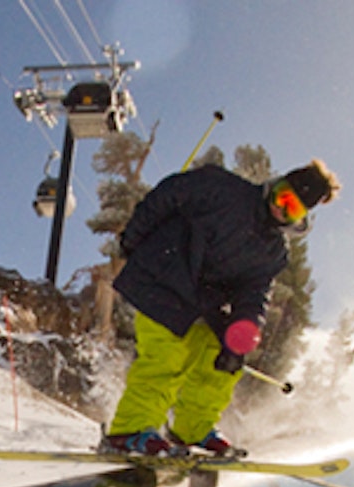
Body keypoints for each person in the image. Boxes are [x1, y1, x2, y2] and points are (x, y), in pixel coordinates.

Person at [102, 159, 340, 457]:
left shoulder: (273, 252)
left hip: (205, 304)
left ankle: (193, 428)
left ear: (300, 219)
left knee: (223, 361)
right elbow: (169, 194)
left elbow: (253, 293)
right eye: (282, 196)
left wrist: (242, 335)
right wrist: (134, 237)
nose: (280, 208)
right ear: (274, 184)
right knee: (166, 358)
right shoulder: (222, 188)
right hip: (164, 279)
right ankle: (131, 429)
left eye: (291, 208)